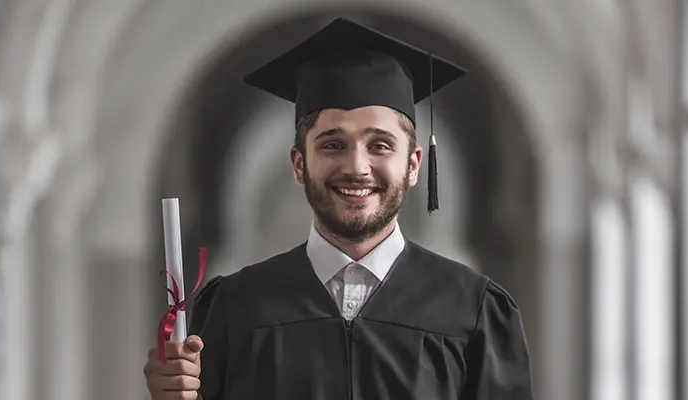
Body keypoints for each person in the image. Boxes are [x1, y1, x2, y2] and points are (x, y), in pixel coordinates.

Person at [143, 17, 534, 400]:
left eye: (379, 145)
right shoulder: (233, 309)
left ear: (413, 165)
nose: (356, 167)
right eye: (332, 144)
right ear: (299, 163)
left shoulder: (476, 313)